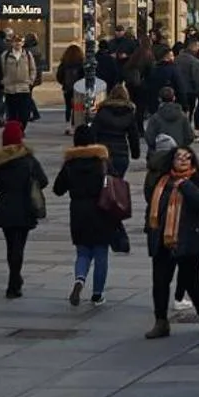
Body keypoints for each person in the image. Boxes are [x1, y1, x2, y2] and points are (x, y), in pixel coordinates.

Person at [144, 144, 199, 338]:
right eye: (179, 157)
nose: (183, 160)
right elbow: (152, 207)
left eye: (187, 157)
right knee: (160, 282)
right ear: (171, 161)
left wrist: (185, 184)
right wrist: (151, 231)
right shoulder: (162, 182)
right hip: (163, 241)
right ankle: (161, 322)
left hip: (189, 241)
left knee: (191, 281)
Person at [56, 124, 126, 306]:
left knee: (82, 252)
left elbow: (57, 189)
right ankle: (97, 294)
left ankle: (79, 280)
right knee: (101, 253)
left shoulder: (70, 163)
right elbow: (116, 181)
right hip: (101, 210)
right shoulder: (102, 162)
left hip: (78, 211)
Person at [0, 119, 47, 299]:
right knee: (19, 246)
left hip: (6, 208)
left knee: (11, 246)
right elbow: (44, 180)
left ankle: (14, 281)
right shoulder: (28, 159)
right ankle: (14, 281)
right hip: (25, 207)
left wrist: (4, 183)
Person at [93, 84, 141, 171]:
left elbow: (93, 132)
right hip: (121, 152)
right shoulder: (129, 113)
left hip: (104, 151)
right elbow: (133, 136)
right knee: (118, 182)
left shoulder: (102, 111)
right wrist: (135, 153)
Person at [145, 87, 196, 153]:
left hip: (160, 153)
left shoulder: (155, 117)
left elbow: (150, 137)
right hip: (178, 152)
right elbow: (189, 136)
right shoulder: (182, 116)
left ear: (160, 99)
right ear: (174, 98)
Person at [2, 34, 38, 127]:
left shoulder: (27, 55)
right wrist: (4, 81)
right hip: (10, 88)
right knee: (11, 113)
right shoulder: (5, 55)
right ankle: (14, 130)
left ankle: (21, 129)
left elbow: (33, 69)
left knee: (24, 113)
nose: (17, 43)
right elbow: (1, 69)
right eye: (15, 41)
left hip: (24, 88)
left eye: (19, 41)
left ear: (22, 43)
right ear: (12, 43)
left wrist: (30, 81)